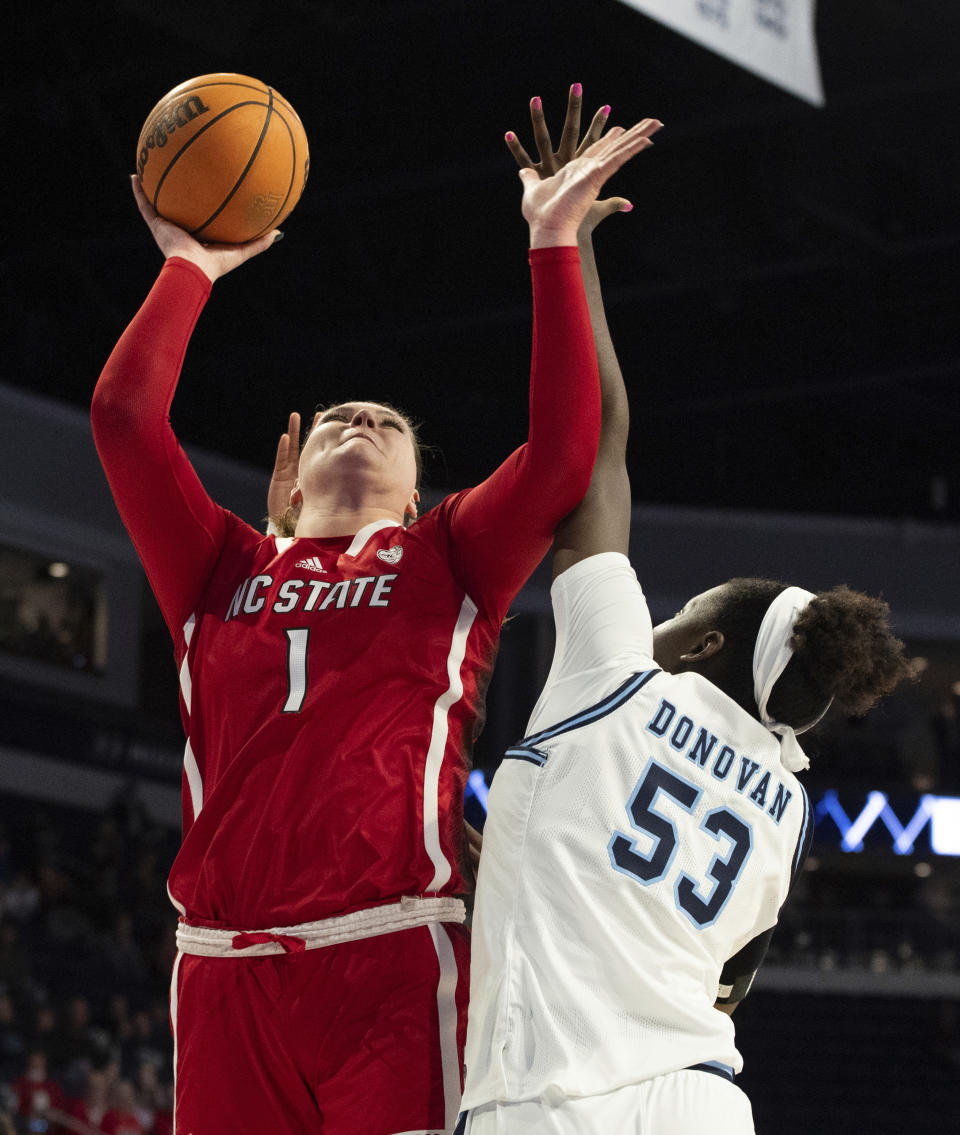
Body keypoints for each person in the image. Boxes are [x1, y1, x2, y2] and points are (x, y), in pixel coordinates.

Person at [91, 109, 660, 1135]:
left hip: (396, 960)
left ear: (412, 496)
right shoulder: (219, 565)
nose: (361, 423)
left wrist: (551, 242)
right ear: (289, 477)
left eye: (389, 426)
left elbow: (568, 450)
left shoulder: (445, 555)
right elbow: (125, 418)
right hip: (225, 971)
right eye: (341, 419)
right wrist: (190, 268)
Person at [460, 90, 913, 1135]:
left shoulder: (620, 667)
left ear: (705, 640)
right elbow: (723, 984)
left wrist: (563, 239)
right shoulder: (786, 804)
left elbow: (598, 440)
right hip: (700, 1101)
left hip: (557, 1101)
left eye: (685, 611)